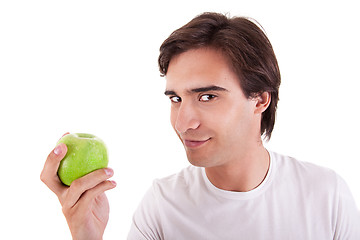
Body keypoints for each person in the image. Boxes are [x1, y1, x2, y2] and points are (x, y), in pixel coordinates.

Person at [41, 12, 360, 240]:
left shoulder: (326, 195)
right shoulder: (162, 206)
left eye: (207, 96)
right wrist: (86, 237)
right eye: (175, 99)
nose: (182, 123)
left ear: (260, 100)